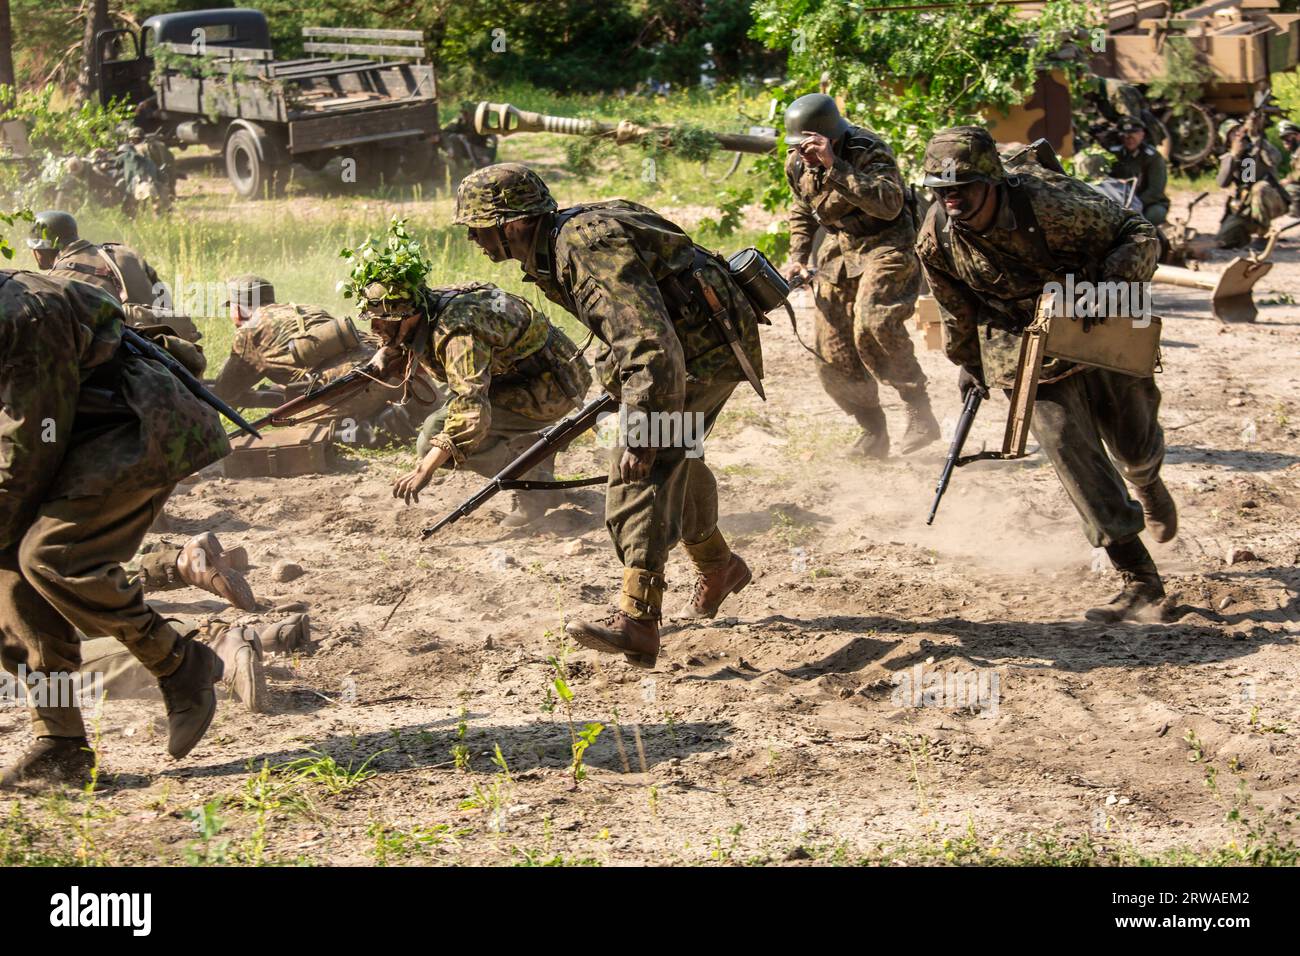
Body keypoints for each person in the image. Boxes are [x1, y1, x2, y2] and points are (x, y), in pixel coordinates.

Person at [454, 163, 761, 667]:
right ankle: (719, 565)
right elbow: (634, 322)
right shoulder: (560, 242)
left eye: (478, 225)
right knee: (676, 457)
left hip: (695, 358)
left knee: (638, 470)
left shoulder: (582, 246)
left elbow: (649, 342)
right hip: (692, 352)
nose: (473, 238)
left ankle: (639, 622)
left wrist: (641, 431)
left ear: (511, 222)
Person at [914, 126, 1176, 624]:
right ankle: (1138, 575)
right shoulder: (936, 237)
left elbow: (1139, 234)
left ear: (992, 182)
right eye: (940, 191)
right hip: (1019, 340)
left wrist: (1101, 288)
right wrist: (969, 363)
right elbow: (954, 307)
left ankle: (1146, 480)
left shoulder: (1049, 201)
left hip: (1100, 315)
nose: (950, 200)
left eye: (961, 189)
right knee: (1069, 450)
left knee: (1133, 441)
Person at [0, 271, 231, 790]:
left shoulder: (23, 313)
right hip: (78, 437)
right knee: (8, 570)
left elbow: (32, 438)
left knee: (51, 555)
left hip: (139, 428)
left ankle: (179, 663)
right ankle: (60, 744)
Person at [358, 278, 592, 529]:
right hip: (539, 372)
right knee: (441, 427)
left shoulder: (457, 332)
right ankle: (531, 449)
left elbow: (472, 413)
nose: (375, 326)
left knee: (433, 438)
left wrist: (425, 469)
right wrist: (392, 348)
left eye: (385, 320)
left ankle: (536, 487)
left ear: (409, 316)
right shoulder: (430, 303)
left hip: (552, 388)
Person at [781, 93, 938, 457]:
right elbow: (801, 209)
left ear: (829, 137)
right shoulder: (797, 163)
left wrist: (835, 166)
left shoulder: (869, 150)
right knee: (831, 350)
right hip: (838, 250)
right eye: (796, 145)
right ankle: (872, 430)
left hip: (887, 244)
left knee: (874, 322)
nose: (802, 153)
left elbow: (889, 205)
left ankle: (918, 408)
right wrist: (798, 257)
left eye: (808, 145)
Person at [210, 275, 435, 446]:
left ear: (238, 308)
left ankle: (382, 426)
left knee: (304, 431)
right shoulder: (305, 309)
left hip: (353, 385)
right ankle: (406, 412)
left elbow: (225, 393)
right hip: (390, 369)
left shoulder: (250, 331)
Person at [29, 209, 201, 343]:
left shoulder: (56, 280)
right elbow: (166, 303)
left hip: (119, 363)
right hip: (168, 347)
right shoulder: (125, 253)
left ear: (42, 249)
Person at [1216, 120, 1288, 248]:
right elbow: (1222, 182)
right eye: (1232, 133)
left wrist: (1256, 137)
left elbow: (1275, 159)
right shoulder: (1230, 157)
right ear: (1227, 140)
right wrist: (1234, 155)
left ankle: (1263, 236)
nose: (1238, 134)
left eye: (1239, 129)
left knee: (1259, 188)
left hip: (1272, 200)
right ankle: (1245, 236)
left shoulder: (1258, 147)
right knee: (1225, 239)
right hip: (1246, 207)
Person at [1108, 118, 1169, 225]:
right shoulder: (1112, 154)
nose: (1129, 138)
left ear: (1142, 134)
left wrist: (1133, 205)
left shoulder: (1152, 157)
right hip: (1117, 202)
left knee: (1155, 214)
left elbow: (1155, 190)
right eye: (1125, 135)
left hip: (1145, 202)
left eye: (1134, 134)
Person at [1276, 119, 1300, 217]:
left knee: (1290, 189)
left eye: (1288, 137)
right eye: (1283, 138)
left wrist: (1287, 180)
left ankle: (1295, 217)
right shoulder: (1295, 153)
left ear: (1298, 136)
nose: (1285, 141)